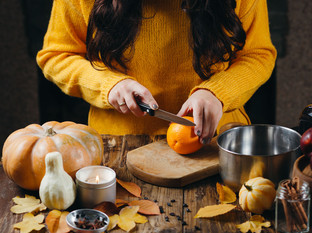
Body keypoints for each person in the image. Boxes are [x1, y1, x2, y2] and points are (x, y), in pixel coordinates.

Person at [36, 0, 276, 144]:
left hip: (218, 143)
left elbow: (258, 55)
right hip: (116, 146)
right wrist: (108, 85)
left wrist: (217, 92)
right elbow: (57, 55)